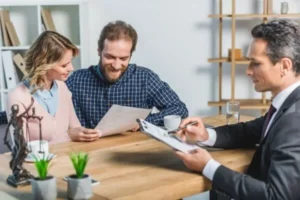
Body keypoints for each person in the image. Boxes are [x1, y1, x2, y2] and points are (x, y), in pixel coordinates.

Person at [176, 19, 300, 200]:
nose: (248, 71)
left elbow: (277, 197)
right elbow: (249, 131)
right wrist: (205, 136)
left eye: (255, 63)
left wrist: (208, 166)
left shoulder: (294, 119)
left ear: (285, 66)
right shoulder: (288, 105)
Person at [66, 20, 188, 129]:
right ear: (99, 51)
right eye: (110, 57)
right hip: (91, 150)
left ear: (130, 55)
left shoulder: (145, 78)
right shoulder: (77, 81)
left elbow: (179, 109)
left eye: (123, 58)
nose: (116, 65)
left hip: (135, 149)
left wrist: (143, 122)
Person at [7, 31, 100, 144]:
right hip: (40, 162)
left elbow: (75, 128)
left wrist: (84, 133)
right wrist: (68, 136)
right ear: (44, 64)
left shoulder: (62, 88)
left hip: (67, 157)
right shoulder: (17, 97)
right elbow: (21, 150)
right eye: (64, 65)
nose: (71, 68)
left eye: (70, 62)